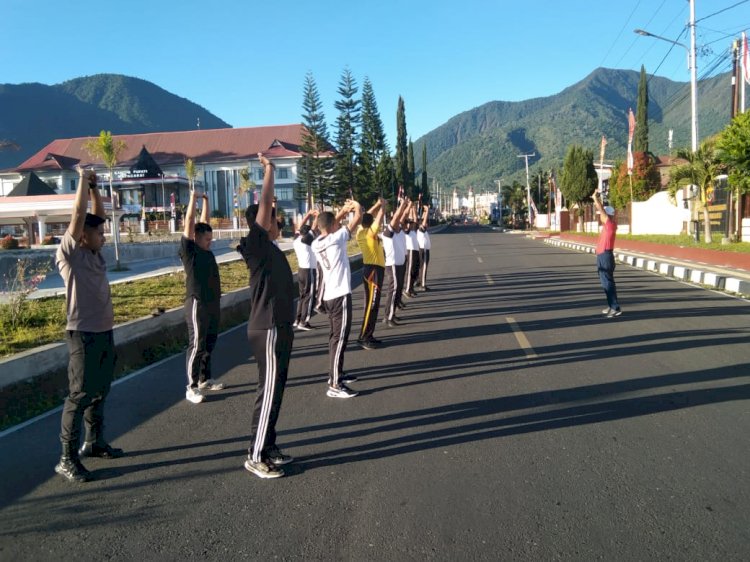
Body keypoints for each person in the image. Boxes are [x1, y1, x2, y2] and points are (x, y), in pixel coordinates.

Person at [54, 165, 123, 483]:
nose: (103, 236)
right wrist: (82, 179)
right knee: (79, 394)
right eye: (98, 233)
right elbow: (80, 214)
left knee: (100, 391)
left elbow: (95, 214)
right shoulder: (70, 254)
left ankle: (93, 443)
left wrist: (96, 188)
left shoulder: (95, 255)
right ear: (82, 236)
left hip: (104, 332)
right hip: (82, 334)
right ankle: (66, 458)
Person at [236, 153, 295, 479]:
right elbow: (265, 204)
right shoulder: (256, 244)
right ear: (263, 221)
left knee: (278, 389)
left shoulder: (270, 247)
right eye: (275, 218)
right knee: (268, 390)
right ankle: (255, 454)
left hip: (281, 326)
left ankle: (269, 445)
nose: (280, 222)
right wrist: (270, 171)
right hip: (268, 328)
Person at [312, 199, 363, 398]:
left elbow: (328, 223)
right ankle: (334, 384)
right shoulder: (338, 237)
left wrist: (341, 211)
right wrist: (356, 207)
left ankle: (337, 373)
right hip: (340, 295)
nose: (340, 224)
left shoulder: (317, 243)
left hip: (329, 296)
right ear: (333, 226)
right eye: (337, 222)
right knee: (339, 338)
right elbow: (357, 218)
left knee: (336, 337)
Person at [180, 190, 223, 405]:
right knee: (196, 344)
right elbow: (190, 221)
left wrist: (206, 201)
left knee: (209, 342)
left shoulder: (205, 249)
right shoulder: (190, 250)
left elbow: (203, 222)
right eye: (207, 239)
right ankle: (191, 387)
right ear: (195, 238)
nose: (210, 242)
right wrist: (193, 199)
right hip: (197, 302)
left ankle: (205, 379)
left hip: (213, 302)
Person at [355, 197, 386, 350]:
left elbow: (368, 215)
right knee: (371, 306)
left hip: (374, 269)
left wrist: (377, 204)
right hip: (373, 271)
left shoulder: (361, 230)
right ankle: (363, 337)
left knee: (374, 305)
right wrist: (383, 207)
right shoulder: (368, 233)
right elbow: (378, 219)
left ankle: (369, 334)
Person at [593, 192, 622, 318]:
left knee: (607, 283)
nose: (600, 216)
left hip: (605, 256)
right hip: (604, 256)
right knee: (607, 283)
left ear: (608, 215)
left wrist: (595, 198)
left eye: (603, 215)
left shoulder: (609, 224)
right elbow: (601, 210)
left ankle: (615, 308)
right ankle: (612, 305)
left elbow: (600, 209)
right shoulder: (610, 225)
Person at [382, 197, 409, 327]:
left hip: (399, 264)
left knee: (397, 290)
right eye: (397, 222)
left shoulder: (399, 232)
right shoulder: (388, 233)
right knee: (393, 290)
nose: (400, 223)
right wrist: (402, 204)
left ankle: (392, 313)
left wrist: (406, 206)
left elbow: (402, 216)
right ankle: (388, 317)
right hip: (392, 265)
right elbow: (398, 216)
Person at [293, 209, 318, 331]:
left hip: (301, 271)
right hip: (309, 271)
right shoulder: (306, 241)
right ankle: (303, 321)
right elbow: (314, 227)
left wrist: (308, 214)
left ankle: (297, 319)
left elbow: (300, 227)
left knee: (302, 296)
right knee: (309, 296)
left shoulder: (297, 239)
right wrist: (317, 216)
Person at [403, 204, 420, 298]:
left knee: (414, 270)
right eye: (409, 222)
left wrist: (413, 208)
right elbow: (407, 220)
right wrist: (408, 208)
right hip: (410, 250)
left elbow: (415, 220)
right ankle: (407, 290)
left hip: (415, 250)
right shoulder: (406, 229)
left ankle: (411, 288)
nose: (411, 222)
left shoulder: (413, 229)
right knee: (410, 271)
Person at [416, 204, 432, 291]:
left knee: (422, 266)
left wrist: (425, 212)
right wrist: (427, 211)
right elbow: (424, 221)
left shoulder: (421, 230)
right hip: (423, 250)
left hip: (424, 250)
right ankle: (422, 285)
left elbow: (423, 220)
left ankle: (419, 281)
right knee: (424, 267)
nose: (426, 224)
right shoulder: (421, 229)